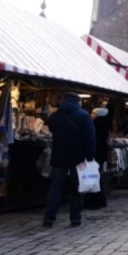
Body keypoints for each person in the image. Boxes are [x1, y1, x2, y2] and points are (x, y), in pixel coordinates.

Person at [43, 93, 96, 228]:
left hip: (59, 157)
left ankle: (49, 218)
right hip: (78, 158)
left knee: (55, 188)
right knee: (77, 188)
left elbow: (51, 128)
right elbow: (90, 139)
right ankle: (75, 218)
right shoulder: (84, 116)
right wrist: (89, 157)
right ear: (78, 102)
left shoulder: (55, 116)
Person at [84, 107, 111, 210]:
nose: (91, 115)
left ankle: (97, 200)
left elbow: (94, 141)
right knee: (97, 177)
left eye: (94, 113)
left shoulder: (96, 125)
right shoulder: (104, 124)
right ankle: (100, 200)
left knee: (94, 178)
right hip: (101, 154)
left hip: (96, 154)